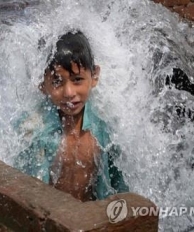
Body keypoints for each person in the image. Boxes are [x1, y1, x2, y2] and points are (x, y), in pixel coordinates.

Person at [13, 30, 128, 202]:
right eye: (57, 81)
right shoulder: (32, 128)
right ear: (42, 85)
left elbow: (120, 185)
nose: (69, 93)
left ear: (94, 76)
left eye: (77, 80)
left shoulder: (105, 128)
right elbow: (25, 196)